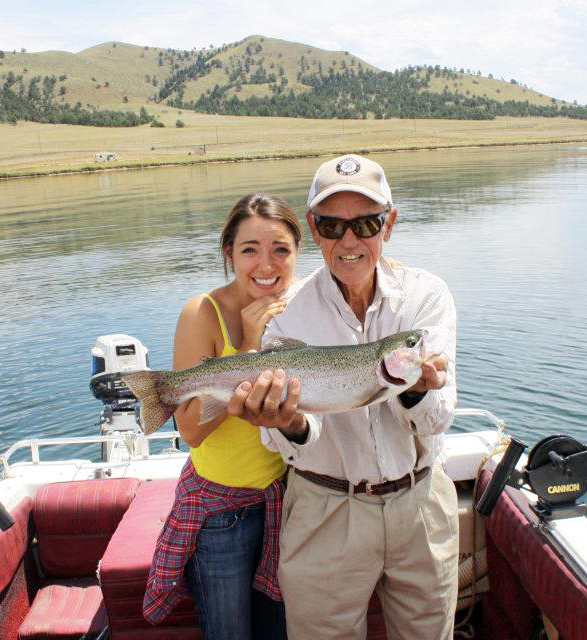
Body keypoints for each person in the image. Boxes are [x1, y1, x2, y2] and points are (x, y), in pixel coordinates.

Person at [226, 154, 460, 640]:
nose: (349, 240)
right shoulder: (286, 318)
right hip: (324, 512)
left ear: (389, 225)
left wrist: (416, 395)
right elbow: (291, 443)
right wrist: (285, 421)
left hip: (419, 504)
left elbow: (437, 420)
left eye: (366, 223)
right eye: (332, 225)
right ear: (313, 229)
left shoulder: (426, 298)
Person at [142, 193, 300, 640]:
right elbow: (190, 431)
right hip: (221, 515)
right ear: (228, 253)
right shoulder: (201, 313)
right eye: (250, 249)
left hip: (285, 503)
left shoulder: (301, 307)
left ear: (296, 254)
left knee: (279, 630)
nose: (265, 265)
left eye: (280, 250)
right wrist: (249, 347)